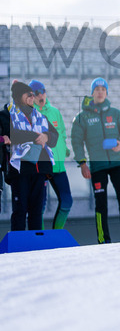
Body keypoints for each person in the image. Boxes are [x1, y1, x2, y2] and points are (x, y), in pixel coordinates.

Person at [70, 77, 120, 243]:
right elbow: (76, 142)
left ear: (107, 92)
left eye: (103, 89)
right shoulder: (82, 117)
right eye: (96, 89)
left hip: (117, 163)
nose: (100, 92)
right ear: (92, 93)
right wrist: (82, 163)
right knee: (101, 204)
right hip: (97, 166)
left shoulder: (116, 113)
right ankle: (103, 239)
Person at [7, 80, 56, 231]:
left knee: (36, 211)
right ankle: (19, 247)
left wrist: (46, 137)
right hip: (20, 169)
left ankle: (36, 248)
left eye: (31, 94)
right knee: (20, 209)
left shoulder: (40, 116)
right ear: (17, 97)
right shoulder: (9, 114)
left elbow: (55, 136)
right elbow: (11, 135)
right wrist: (35, 136)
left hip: (40, 169)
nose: (31, 96)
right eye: (27, 93)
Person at [29, 79, 73, 229]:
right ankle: (39, 236)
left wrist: (64, 148)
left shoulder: (55, 112)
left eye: (43, 92)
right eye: (36, 93)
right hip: (41, 166)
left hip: (58, 165)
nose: (41, 96)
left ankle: (57, 233)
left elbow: (61, 133)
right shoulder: (30, 114)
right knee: (40, 205)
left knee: (67, 201)